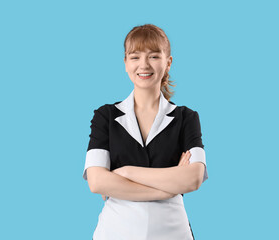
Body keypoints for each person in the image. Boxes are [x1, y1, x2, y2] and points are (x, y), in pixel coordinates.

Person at [83, 24, 208, 240]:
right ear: (125, 63)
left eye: (153, 56)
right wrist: (168, 188)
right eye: (135, 57)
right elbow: (96, 181)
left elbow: (193, 178)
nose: (144, 65)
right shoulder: (106, 116)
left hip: (173, 233)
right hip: (116, 232)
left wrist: (125, 173)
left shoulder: (186, 118)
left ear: (168, 62)